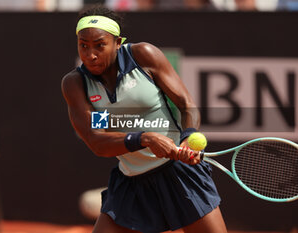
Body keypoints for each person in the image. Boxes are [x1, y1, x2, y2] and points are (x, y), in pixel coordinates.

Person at [61, 5, 227, 233]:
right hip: (132, 183)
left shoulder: (143, 56)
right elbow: (97, 141)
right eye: (83, 46)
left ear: (118, 43)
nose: (91, 55)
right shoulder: (76, 84)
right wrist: (145, 139)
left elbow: (186, 104)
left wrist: (188, 136)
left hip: (178, 173)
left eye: (100, 45)